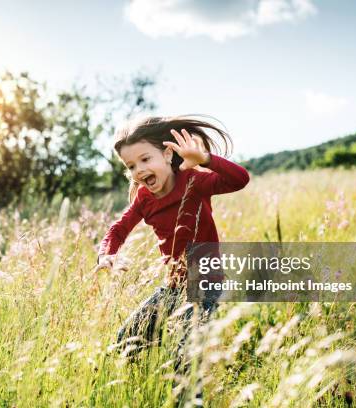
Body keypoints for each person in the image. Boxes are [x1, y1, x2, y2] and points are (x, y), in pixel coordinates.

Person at [95, 115, 250, 405]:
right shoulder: (145, 199)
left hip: (206, 283)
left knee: (184, 358)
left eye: (144, 159)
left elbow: (239, 179)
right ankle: (137, 391)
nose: (139, 170)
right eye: (131, 166)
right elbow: (118, 229)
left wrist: (204, 158)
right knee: (125, 341)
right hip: (173, 286)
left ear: (168, 154)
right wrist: (108, 254)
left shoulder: (195, 181)